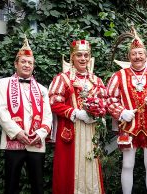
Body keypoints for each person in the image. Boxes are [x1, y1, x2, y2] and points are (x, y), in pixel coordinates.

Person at [106, 27, 147, 194]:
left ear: (146, 56)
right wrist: (121, 111)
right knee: (127, 165)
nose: (137, 57)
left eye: (140, 53)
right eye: (134, 54)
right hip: (128, 127)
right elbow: (109, 98)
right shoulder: (118, 76)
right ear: (129, 57)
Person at [0, 36, 52, 194]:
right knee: (11, 186)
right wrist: (18, 133)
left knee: (38, 187)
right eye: (23, 61)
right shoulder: (3, 83)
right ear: (16, 64)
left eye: (30, 62)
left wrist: (40, 134)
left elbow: (48, 117)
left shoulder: (42, 89)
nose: (27, 65)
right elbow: (1, 111)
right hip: (13, 142)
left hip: (36, 143)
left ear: (33, 66)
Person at [49, 39, 106, 194]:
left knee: (92, 164)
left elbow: (105, 103)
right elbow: (54, 102)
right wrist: (76, 113)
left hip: (92, 132)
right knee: (69, 169)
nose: (83, 58)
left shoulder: (97, 80)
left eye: (86, 55)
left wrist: (97, 114)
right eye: (79, 55)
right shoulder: (63, 78)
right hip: (71, 132)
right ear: (72, 57)